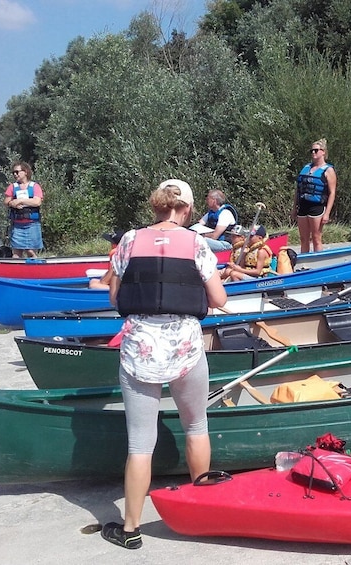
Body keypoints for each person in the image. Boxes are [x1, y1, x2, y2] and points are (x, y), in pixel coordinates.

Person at [103, 179, 227, 550]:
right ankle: (202, 511)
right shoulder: (196, 243)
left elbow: (114, 296)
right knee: (196, 425)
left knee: (140, 444)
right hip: (184, 346)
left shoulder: (128, 240)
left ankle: (131, 530)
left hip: (141, 345)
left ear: (155, 206)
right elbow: (218, 298)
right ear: (187, 210)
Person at [292, 138, 337, 253]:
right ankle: (305, 264)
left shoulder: (328, 170)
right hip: (303, 205)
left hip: (317, 206)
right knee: (303, 238)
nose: (313, 153)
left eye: (316, 150)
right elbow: (298, 189)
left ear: (323, 152)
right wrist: (294, 208)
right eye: (311, 151)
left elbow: (332, 193)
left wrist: (327, 213)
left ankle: (319, 264)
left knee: (316, 238)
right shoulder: (306, 168)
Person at [4, 161, 43, 258]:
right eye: (13, 173)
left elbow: (37, 202)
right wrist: (12, 203)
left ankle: (35, 269)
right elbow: (6, 201)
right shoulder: (12, 187)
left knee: (30, 251)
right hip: (17, 225)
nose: (15, 174)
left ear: (25, 172)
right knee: (16, 253)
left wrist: (21, 201)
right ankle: (15, 271)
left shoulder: (35, 186)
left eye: (17, 172)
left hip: (32, 224)